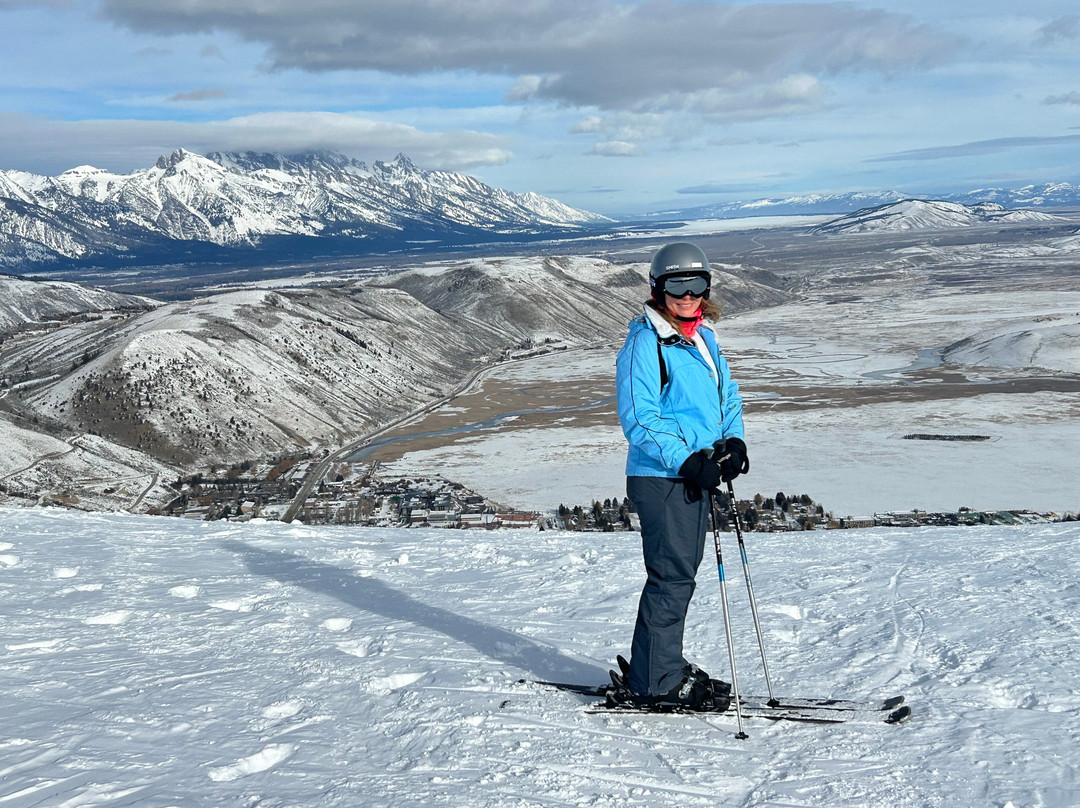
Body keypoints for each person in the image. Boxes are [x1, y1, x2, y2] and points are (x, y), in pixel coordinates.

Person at [614, 241, 749, 708]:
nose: (687, 295)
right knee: (671, 578)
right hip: (662, 478)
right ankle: (656, 680)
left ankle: (658, 664)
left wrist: (733, 442)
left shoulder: (702, 338)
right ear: (657, 289)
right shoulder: (644, 344)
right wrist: (687, 459)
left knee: (679, 577)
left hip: (693, 475)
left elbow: (725, 395)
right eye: (676, 285)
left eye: (696, 285)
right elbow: (641, 418)